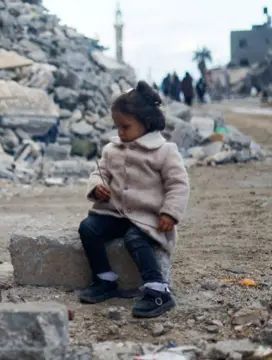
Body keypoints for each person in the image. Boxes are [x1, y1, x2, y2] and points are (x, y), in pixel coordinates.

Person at [77, 80, 190, 318]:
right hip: (115, 212)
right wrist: (97, 187)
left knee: (134, 239)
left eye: (125, 126)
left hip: (147, 218)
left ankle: (157, 290)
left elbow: (178, 184)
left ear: (146, 122)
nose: (120, 132)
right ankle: (104, 279)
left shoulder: (165, 151)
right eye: (117, 126)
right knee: (88, 228)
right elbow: (99, 172)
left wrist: (170, 212)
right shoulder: (112, 150)